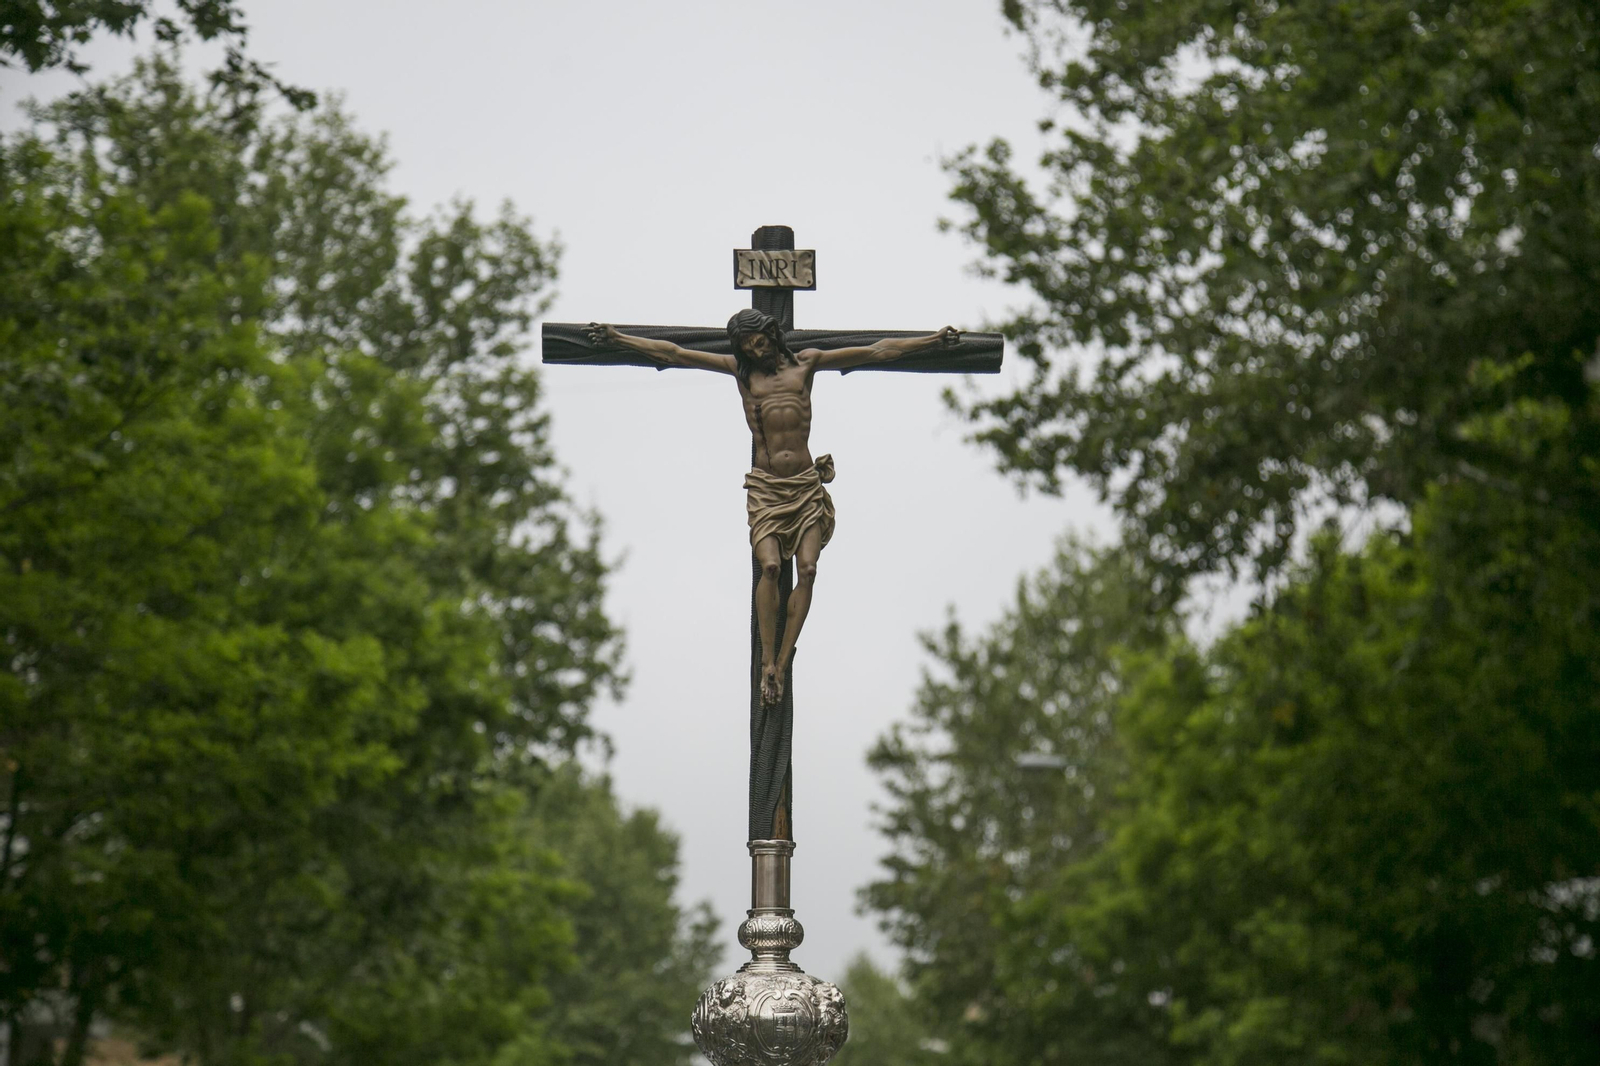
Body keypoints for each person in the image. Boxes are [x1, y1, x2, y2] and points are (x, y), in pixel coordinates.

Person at [587, 310, 961, 705]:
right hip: (767, 489)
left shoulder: (807, 363)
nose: (755, 350)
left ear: (771, 333)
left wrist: (933, 341)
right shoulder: (741, 373)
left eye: (759, 341)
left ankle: (781, 664)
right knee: (769, 567)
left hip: (804, 486)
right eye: (747, 346)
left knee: (809, 570)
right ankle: (766, 660)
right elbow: (674, 353)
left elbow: (877, 350)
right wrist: (617, 337)